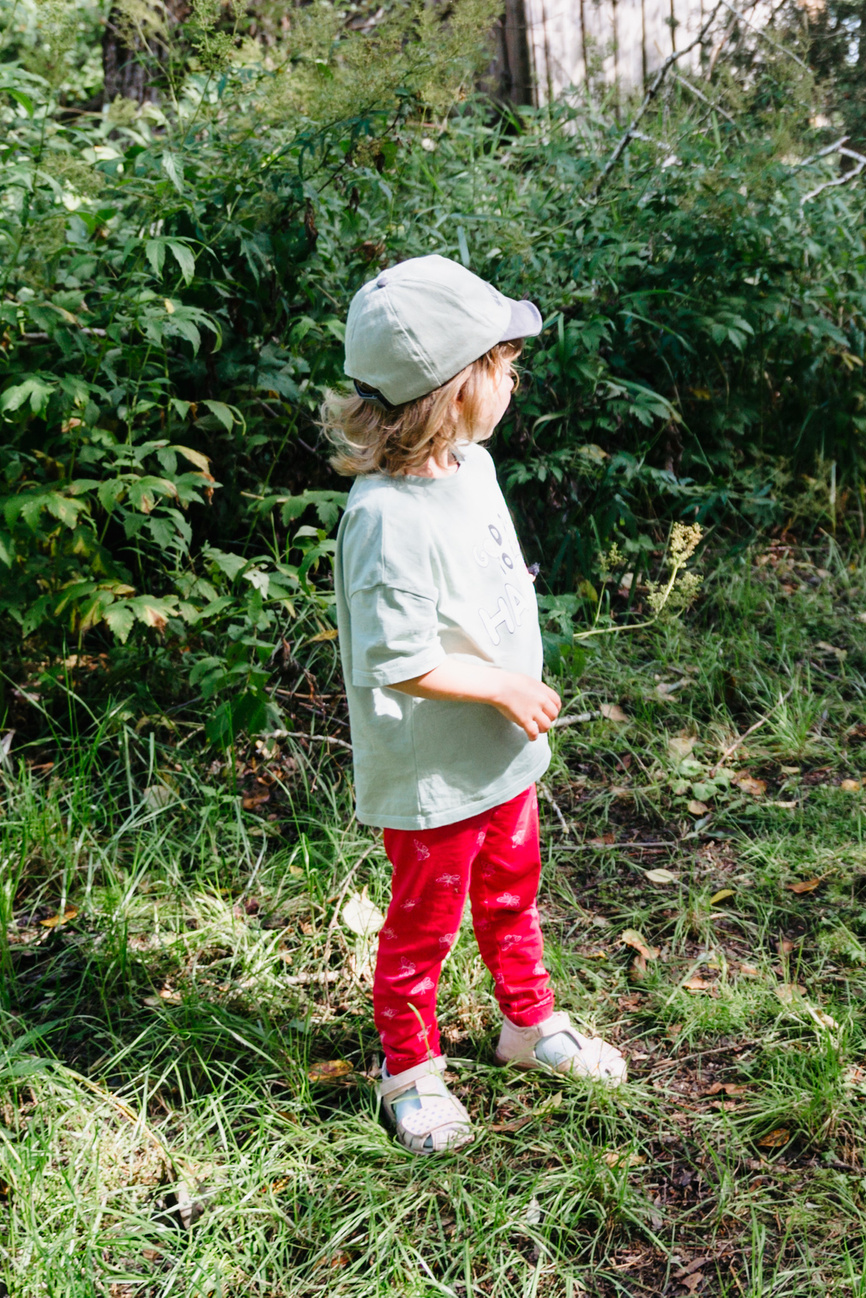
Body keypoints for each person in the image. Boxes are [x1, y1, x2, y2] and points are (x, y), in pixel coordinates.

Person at [322, 254, 627, 1157]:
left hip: (498, 753)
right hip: (434, 768)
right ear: (451, 390)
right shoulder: (384, 517)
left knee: (511, 893)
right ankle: (409, 1070)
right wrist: (499, 683)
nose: (512, 377)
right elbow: (399, 659)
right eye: (499, 364)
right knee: (426, 918)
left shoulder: (473, 469)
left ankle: (527, 1024)